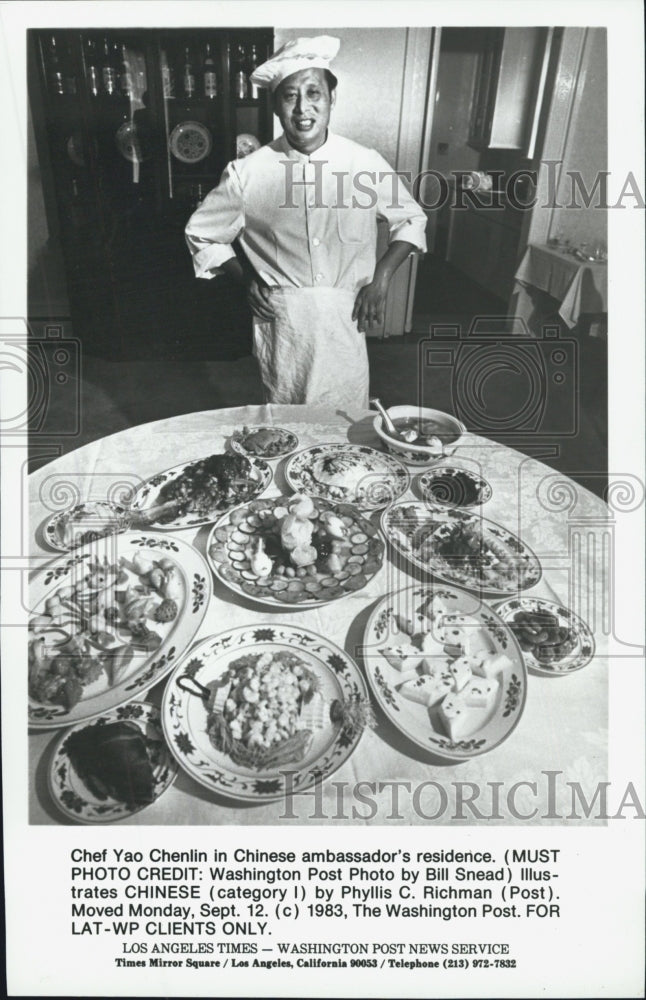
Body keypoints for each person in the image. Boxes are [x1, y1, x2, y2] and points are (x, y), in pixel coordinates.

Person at [185, 35, 427, 408]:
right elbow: (201, 233)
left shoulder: (363, 162)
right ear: (277, 107)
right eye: (290, 95)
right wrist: (244, 277)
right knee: (286, 419)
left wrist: (381, 279)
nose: (303, 108)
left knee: (346, 423)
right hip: (284, 323)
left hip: (345, 317)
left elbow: (410, 219)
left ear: (332, 99)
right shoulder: (247, 173)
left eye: (314, 93)